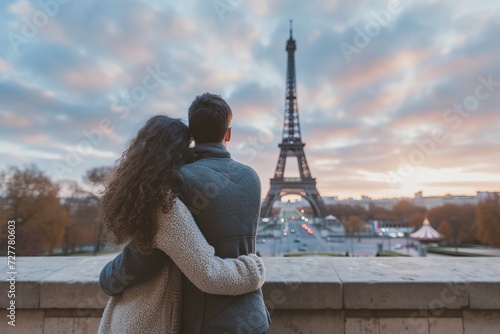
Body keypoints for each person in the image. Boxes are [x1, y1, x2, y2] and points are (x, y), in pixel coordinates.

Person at [100, 94, 271, 334]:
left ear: (192, 135)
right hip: (252, 316)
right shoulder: (252, 177)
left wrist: (109, 278)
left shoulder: (177, 181)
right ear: (228, 134)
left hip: (202, 321)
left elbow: (146, 256)